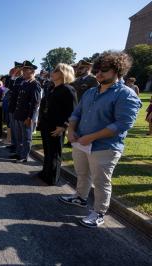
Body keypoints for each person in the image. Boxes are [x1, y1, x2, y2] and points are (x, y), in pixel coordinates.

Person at [59, 51, 141, 228]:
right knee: (82, 173)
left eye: (104, 70)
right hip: (81, 142)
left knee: (101, 181)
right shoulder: (90, 92)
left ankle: (99, 213)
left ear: (118, 70)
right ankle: (80, 198)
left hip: (105, 146)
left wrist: (92, 137)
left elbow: (123, 124)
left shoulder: (126, 94)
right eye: (97, 70)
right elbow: (76, 113)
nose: (99, 74)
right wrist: (71, 129)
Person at [37, 63, 77, 185]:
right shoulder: (51, 88)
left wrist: (63, 126)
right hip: (46, 124)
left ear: (63, 73)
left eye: (56, 70)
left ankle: (52, 177)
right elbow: (45, 105)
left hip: (57, 126)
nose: (52, 72)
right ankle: (45, 172)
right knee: (47, 151)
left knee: (54, 152)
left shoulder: (68, 90)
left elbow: (73, 111)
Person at [11, 60, 41, 163]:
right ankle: (19, 153)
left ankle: (24, 156)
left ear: (32, 71)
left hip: (26, 116)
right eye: (23, 70)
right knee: (19, 136)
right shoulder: (23, 83)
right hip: (19, 114)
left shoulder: (35, 84)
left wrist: (30, 118)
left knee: (26, 138)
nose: (22, 72)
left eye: (25, 70)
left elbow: (35, 103)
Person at [6, 62, 24, 154]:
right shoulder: (15, 79)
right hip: (12, 106)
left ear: (21, 69)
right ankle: (13, 144)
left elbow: (16, 92)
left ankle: (17, 146)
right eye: (15, 68)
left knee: (17, 130)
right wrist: (12, 76)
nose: (16, 70)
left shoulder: (22, 79)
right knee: (12, 127)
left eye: (18, 68)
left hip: (16, 107)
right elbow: (9, 87)